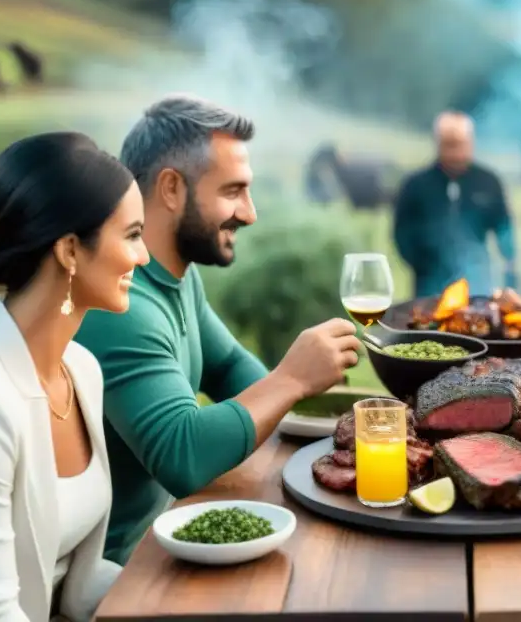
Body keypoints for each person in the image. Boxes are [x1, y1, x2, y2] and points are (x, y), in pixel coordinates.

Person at [73, 95, 362, 566]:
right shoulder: (121, 303)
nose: (249, 213)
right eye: (233, 191)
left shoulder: (177, 277)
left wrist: (329, 418)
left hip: (161, 542)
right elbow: (183, 456)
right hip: (117, 576)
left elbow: (228, 366)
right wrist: (291, 379)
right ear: (171, 188)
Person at [0, 132, 149, 622]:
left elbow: (70, 581)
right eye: (133, 235)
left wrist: (183, 597)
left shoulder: (82, 371)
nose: (143, 257)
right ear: (71, 251)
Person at [393, 110, 516, 297]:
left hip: (478, 286)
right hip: (429, 287)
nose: (455, 153)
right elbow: (402, 232)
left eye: (460, 145)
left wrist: (509, 267)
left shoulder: (488, 182)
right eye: (448, 145)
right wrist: (424, 264)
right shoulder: (416, 185)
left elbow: (504, 227)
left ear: (471, 143)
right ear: (437, 144)